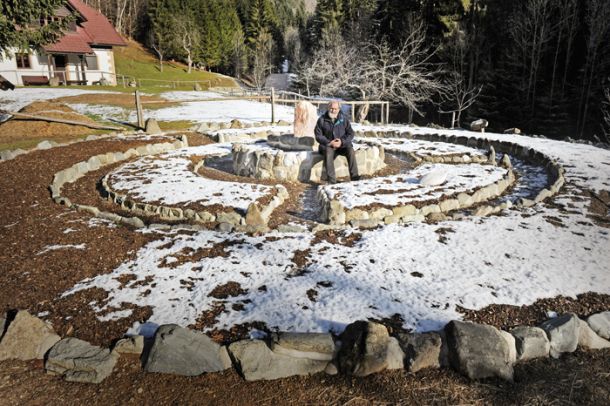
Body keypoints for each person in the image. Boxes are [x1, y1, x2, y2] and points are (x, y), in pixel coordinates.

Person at [314, 101, 359, 184]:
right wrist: (329, 142)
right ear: (328, 108)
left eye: (335, 109)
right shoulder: (321, 120)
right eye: (331, 108)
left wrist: (342, 141)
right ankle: (332, 181)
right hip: (328, 146)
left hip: (342, 145)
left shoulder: (344, 119)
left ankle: (355, 178)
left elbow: (350, 133)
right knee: (328, 152)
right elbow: (318, 135)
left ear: (338, 109)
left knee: (351, 150)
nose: (333, 110)